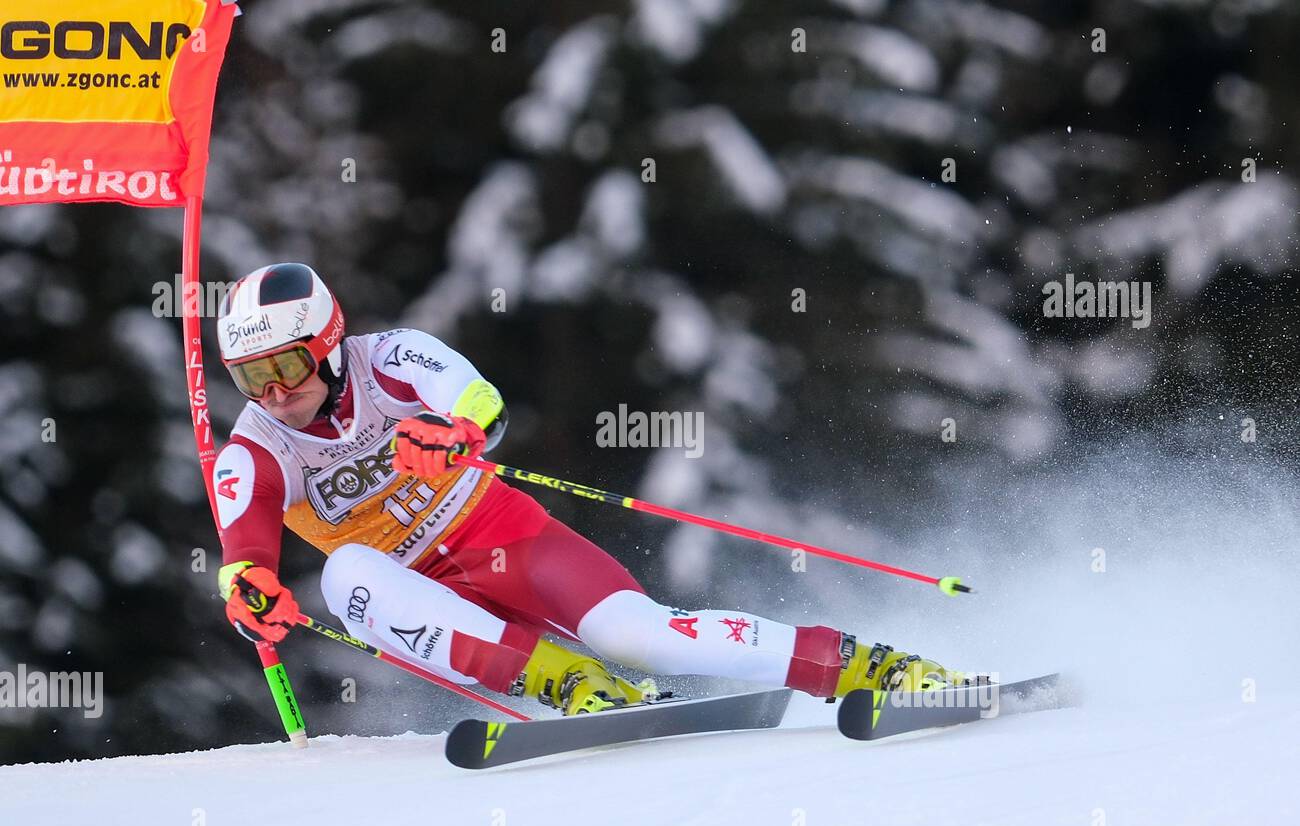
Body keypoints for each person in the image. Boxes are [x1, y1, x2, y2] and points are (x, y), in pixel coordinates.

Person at [214, 263, 963, 716]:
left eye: (287, 366)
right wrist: (251, 590)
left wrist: (458, 435)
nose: (273, 392)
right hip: (419, 595)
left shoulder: (391, 358)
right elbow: (244, 549)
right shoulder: (254, 447)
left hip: (506, 538)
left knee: (642, 636)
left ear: (327, 344)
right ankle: (572, 684)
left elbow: (477, 398)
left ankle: (869, 667)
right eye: (252, 376)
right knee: (344, 575)